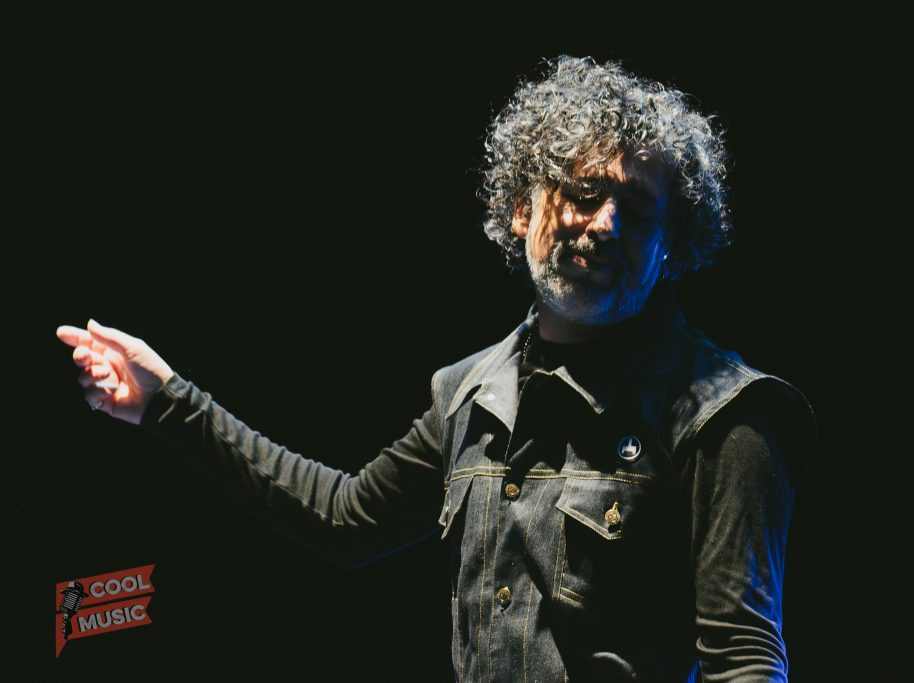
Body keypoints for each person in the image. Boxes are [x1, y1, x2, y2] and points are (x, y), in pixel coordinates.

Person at [57, 55, 818, 681]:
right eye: (583, 193)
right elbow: (343, 519)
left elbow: (745, 658)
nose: (606, 223)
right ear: (522, 209)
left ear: (671, 244)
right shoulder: (470, 395)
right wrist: (170, 401)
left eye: (639, 210)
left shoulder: (725, 415)